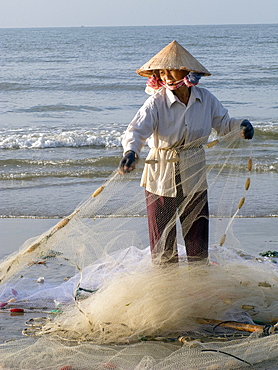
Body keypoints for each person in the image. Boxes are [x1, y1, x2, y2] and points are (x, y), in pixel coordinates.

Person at [119, 40, 254, 265]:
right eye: (161, 72)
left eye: (170, 69)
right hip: (161, 173)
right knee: (162, 237)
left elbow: (224, 125)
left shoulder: (205, 99)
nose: (166, 76)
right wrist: (131, 152)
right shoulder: (155, 103)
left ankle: (198, 280)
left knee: (197, 234)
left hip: (194, 170)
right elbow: (136, 131)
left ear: (185, 71)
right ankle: (166, 282)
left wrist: (241, 126)